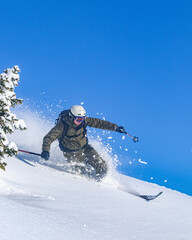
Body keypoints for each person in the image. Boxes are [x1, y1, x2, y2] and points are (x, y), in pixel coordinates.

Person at [41, 105, 126, 180]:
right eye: (78, 119)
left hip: (86, 149)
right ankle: (89, 186)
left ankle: (102, 181)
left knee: (102, 166)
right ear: (71, 117)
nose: (81, 121)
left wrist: (115, 127)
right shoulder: (62, 126)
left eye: (82, 119)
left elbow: (99, 123)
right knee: (82, 174)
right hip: (71, 154)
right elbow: (48, 138)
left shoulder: (83, 121)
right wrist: (45, 150)